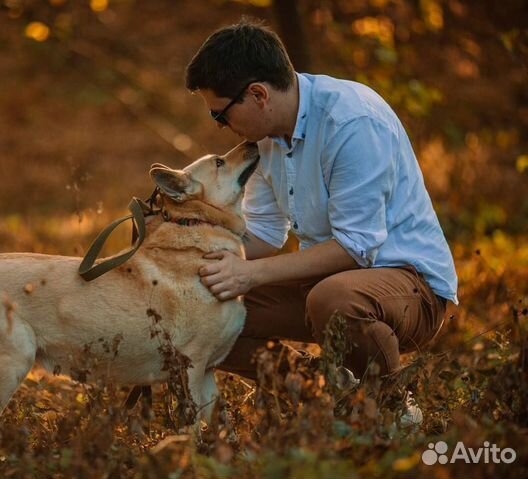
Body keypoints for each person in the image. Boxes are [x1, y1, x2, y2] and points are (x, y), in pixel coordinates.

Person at [185, 20, 458, 392]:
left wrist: (250, 275)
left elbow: (356, 248)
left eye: (221, 114)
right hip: (323, 286)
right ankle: (319, 393)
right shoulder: (263, 138)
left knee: (333, 299)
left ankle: (393, 409)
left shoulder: (352, 122)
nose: (219, 125)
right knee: (201, 305)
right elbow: (264, 235)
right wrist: (187, 254)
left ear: (258, 95)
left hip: (409, 287)